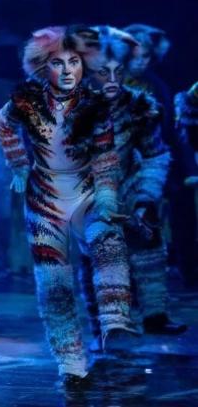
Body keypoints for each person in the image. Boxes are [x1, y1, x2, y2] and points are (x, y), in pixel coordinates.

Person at [0, 26, 137, 387]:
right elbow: (3, 123)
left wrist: (107, 194)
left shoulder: (94, 104)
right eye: (58, 63)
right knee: (54, 283)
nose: (68, 70)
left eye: (74, 61)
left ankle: (115, 321)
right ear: (44, 67)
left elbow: (105, 155)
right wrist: (18, 164)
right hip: (44, 196)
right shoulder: (27, 99)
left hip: (87, 191)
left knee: (108, 242)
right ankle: (71, 361)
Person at [84, 26, 185, 336]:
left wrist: (146, 195)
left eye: (119, 71)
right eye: (104, 72)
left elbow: (156, 154)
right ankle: (107, 317)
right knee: (104, 249)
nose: (112, 79)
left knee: (149, 239)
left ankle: (155, 314)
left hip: (128, 183)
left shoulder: (138, 106)